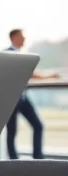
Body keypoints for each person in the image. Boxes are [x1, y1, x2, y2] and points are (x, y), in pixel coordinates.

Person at [5, 29, 61, 160]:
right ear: (14, 37)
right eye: (22, 36)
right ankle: (13, 160)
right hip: (12, 99)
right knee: (12, 131)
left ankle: (37, 157)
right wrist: (49, 76)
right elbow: (29, 73)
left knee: (37, 125)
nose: (24, 39)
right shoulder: (10, 54)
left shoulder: (19, 54)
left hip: (22, 98)